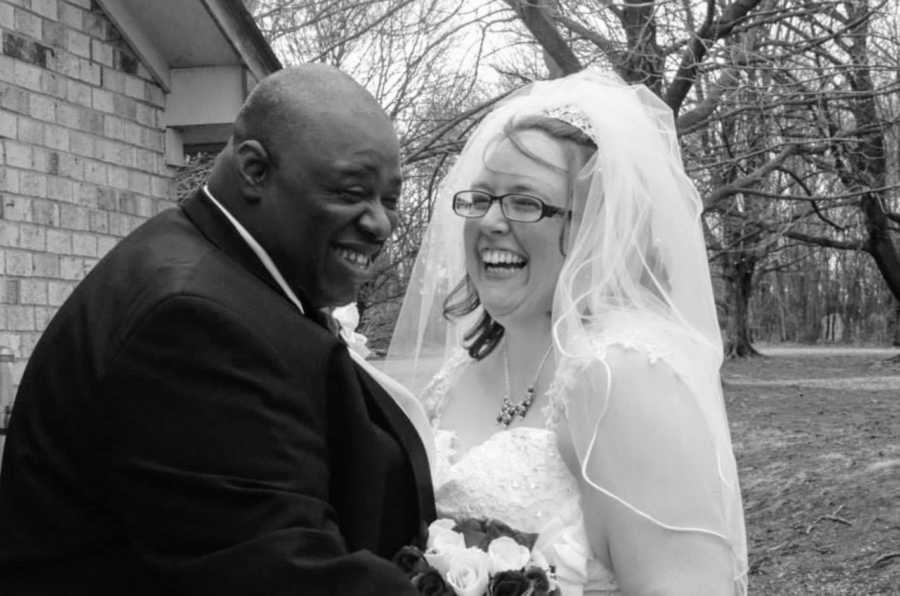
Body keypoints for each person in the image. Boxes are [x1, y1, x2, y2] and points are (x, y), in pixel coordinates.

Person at [0, 64, 435, 595]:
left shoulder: (236, 276)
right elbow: (278, 572)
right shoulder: (191, 322)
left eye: (389, 199)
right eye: (351, 192)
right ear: (254, 169)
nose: (381, 224)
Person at [387, 70, 748, 594]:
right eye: (481, 198)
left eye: (525, 202)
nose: (490, 221)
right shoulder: (455, 377)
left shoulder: (623, 379)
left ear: (593, 227)